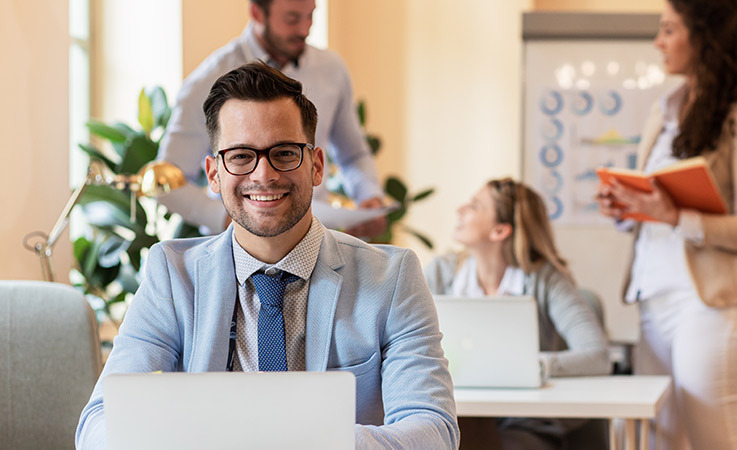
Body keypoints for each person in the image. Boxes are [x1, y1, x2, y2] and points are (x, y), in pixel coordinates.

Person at [76, 61, 459, 450]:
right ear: (213, 174)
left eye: (284, 152)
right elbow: (100, 421)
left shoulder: (391, 279)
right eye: (241, 156)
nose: (264, 174)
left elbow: (433, 431)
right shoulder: (172, 277)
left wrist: (313, 443)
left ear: (316, 165)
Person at [596, 0, 737, 448]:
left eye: (669, 30)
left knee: (714, 442)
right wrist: (626, 207)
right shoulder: (664, 110)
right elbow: (655, 213)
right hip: (652, 302)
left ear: (704, 37)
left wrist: (676, 216)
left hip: (710, 308)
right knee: (657, 442)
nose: (658, 42)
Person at [157, 0, 385, 238]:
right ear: (257, 12)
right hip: (236, 247)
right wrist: (230, 219)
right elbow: (168, 183)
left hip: (316, 240)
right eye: (292, 18)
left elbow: (353, 155)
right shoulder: (207, 80)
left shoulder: (332, 70)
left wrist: (369, 195)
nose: (304, 29)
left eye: (310, 16)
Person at [426, 178, 611, 450]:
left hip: (524, 421)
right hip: (459, 412)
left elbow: (598, 356)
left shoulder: (546, 279)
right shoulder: (440, 273)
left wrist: (532, 367)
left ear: (500, 230)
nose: (460, 210)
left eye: (475, 206)